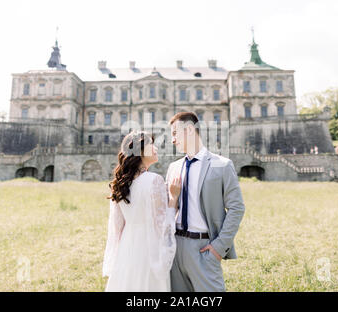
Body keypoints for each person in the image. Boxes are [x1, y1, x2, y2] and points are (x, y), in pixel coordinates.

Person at [166, 112, 245, 292]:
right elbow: (170, 206)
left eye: (175, 133)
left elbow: (237, 208)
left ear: (189, 130)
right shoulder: (173, 167)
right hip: (176, 248)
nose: (172, 139)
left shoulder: (222, 164)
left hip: (204, 249)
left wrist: (218, 248)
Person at [102, 131, 182, 291]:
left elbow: (117, 227)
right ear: (140, 150)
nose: (156, 148)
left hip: (127, 245)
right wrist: (173, 198)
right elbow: (162, 225)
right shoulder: (154, 180)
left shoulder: (120, 183)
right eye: (151, 144)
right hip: (148, 247)